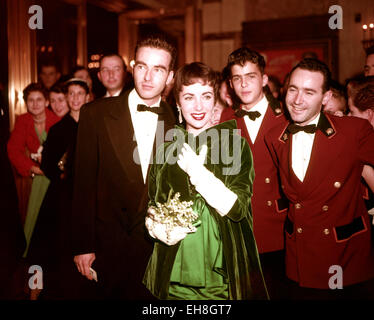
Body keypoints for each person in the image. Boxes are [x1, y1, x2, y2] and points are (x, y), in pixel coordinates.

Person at [143, 62, 268, 300]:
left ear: (215, 101)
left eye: (206, 96)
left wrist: (198, 173)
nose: (198, 106)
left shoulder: (234, 144)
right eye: (189, 97)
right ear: (178, 103)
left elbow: (239, 209)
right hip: (174, 266)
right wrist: (157, 228)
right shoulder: (165, 149)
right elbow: (154, 203)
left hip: (221, 271)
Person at [72, 36, 177, 299]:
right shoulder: (94, 114)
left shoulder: (176, 120)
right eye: (142, 66)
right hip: (109, 247)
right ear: (133, 68)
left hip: (155, 250)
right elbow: (82, 185)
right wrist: (83, 245)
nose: (148, 77)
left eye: (158, 69)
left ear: (170, 77)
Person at [264, 58, 374, 299]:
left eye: (309, 92)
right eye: (293, 90)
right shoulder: (275, 137)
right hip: (298, 258)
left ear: (325, 98)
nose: (297, 100)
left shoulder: (354, 131)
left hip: (343, 257)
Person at [220, 47, 288, 299]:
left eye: (250, 76)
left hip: (278, 231)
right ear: (230, 83)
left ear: (264, 79)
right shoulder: (224, 120)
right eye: (237, 78)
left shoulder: (288, 116)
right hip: (240, 231)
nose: (244, 84)